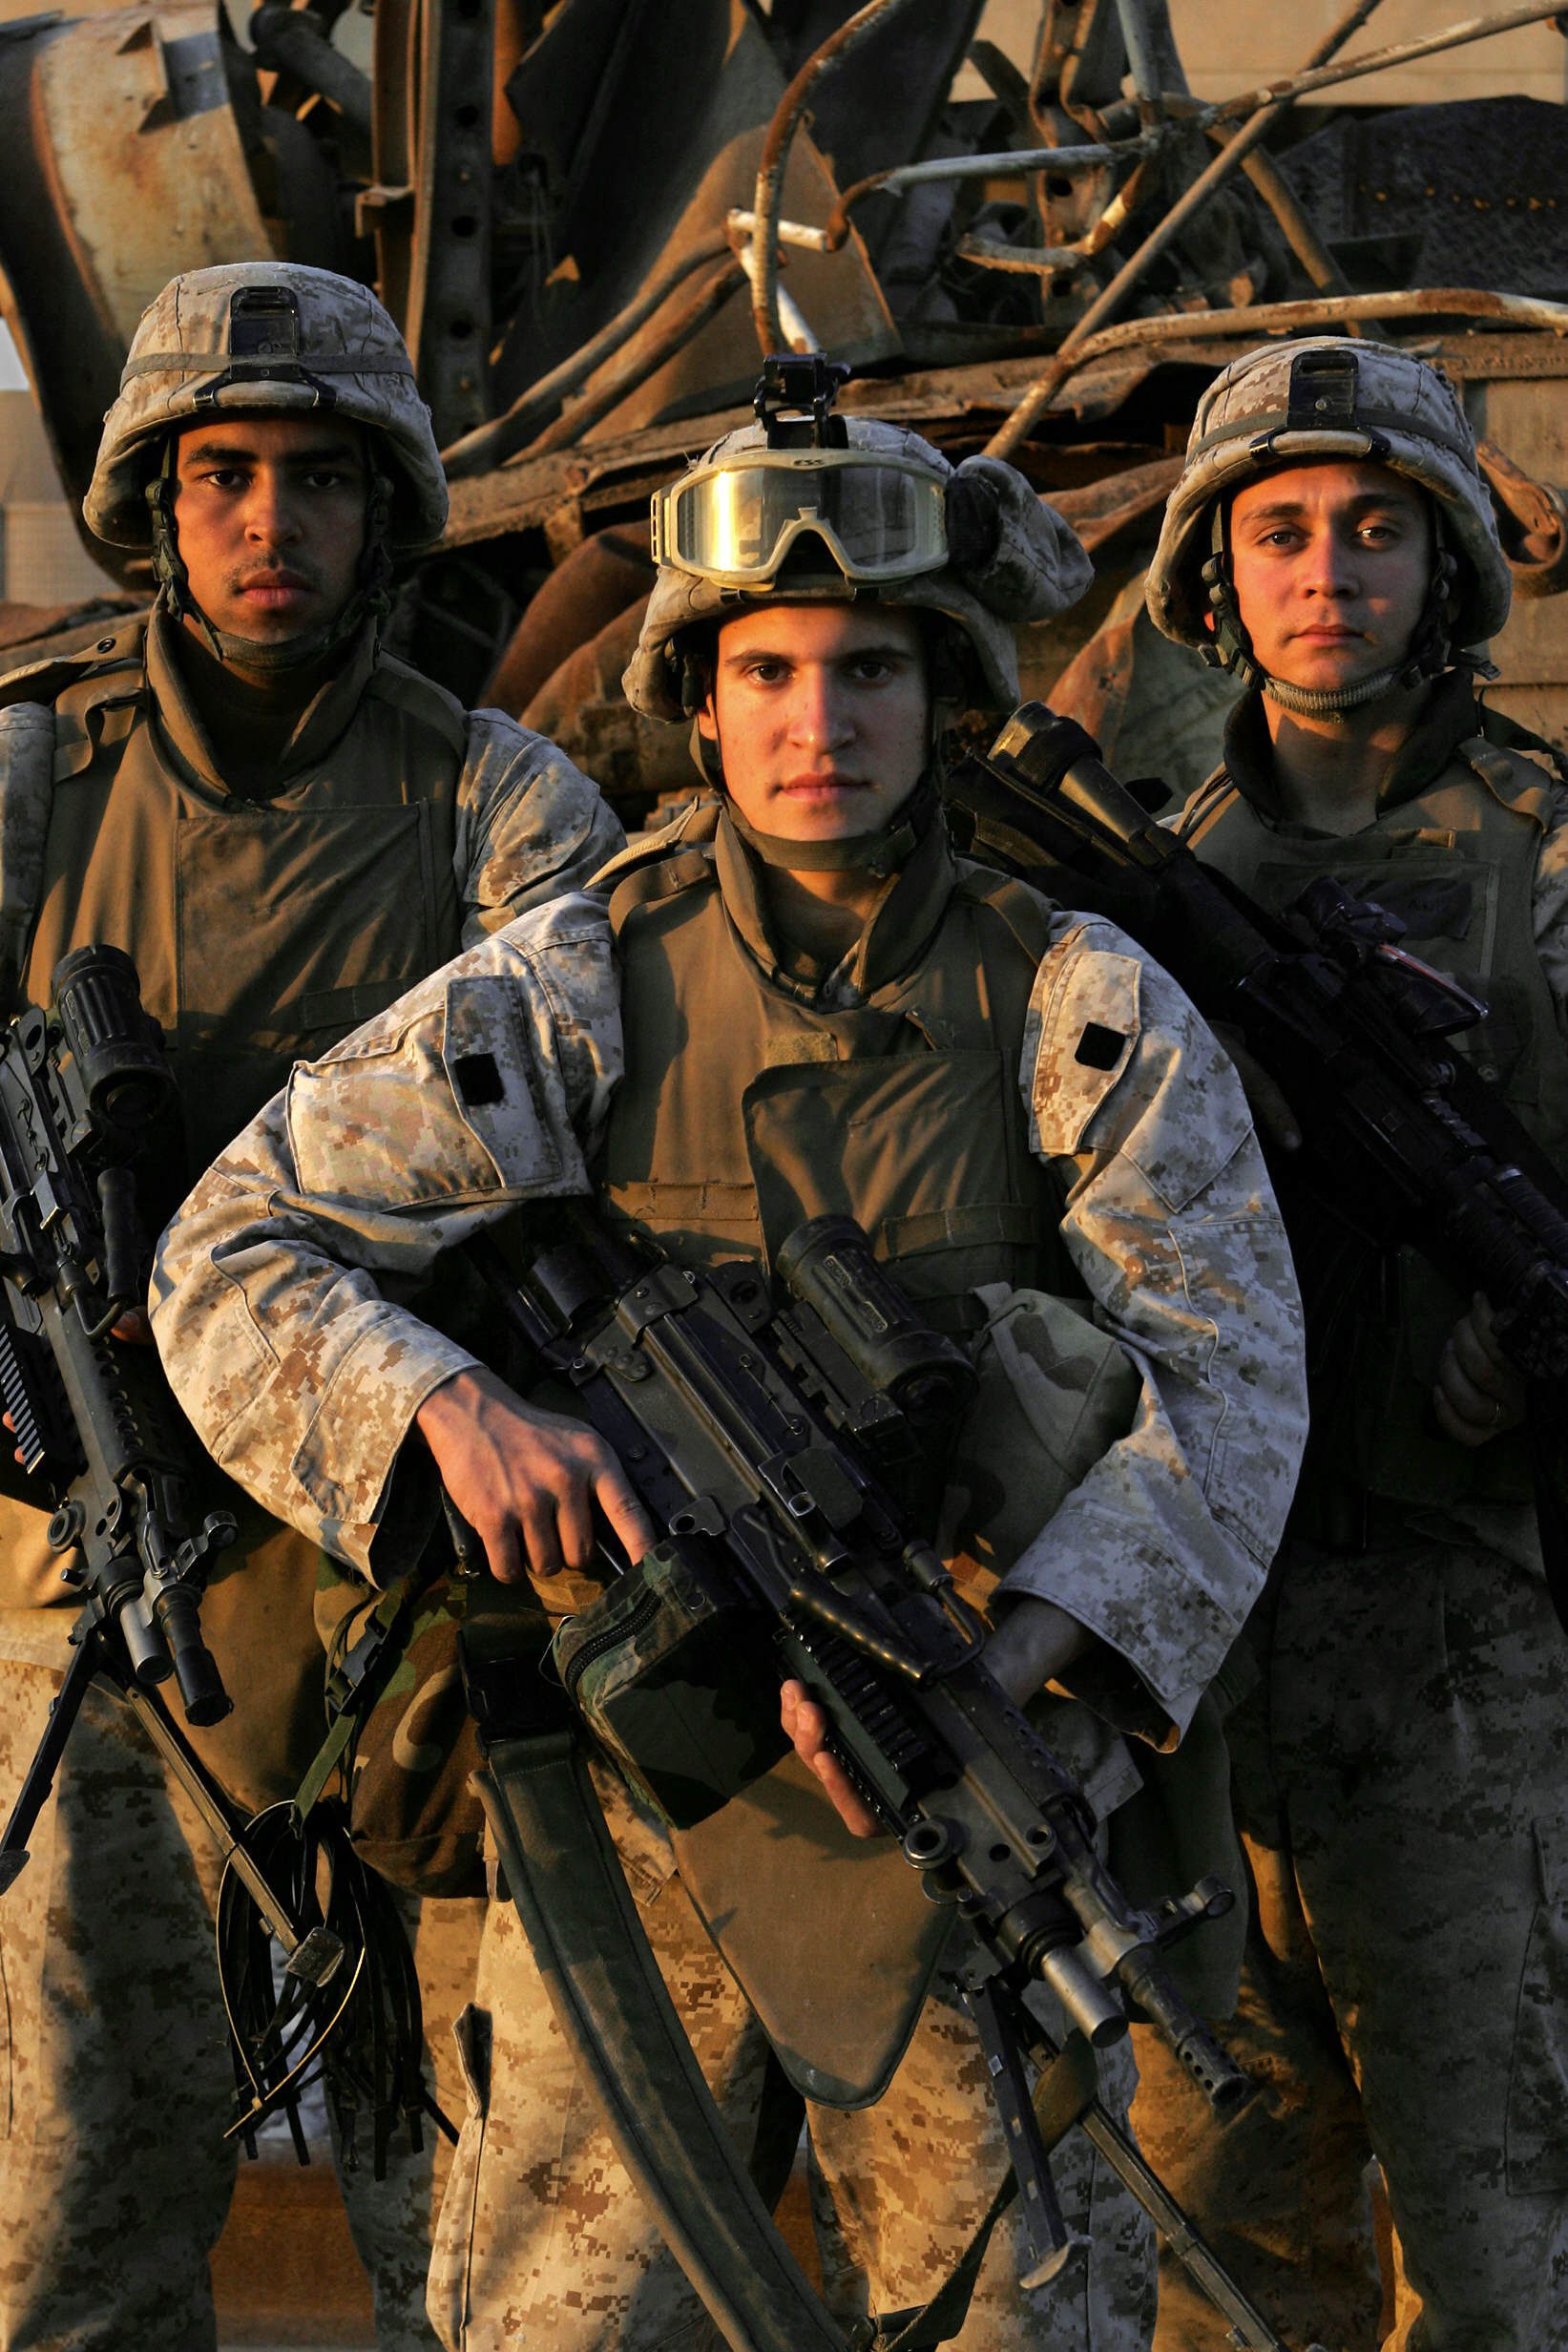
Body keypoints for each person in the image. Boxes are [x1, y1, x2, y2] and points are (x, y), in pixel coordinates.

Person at [151, 373, 1307, 2351]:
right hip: (630, 1816)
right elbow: (232, 1244)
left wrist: (1002, 1664)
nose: (816, 723)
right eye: (766, 671)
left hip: (947, 1795)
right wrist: (444, 1405)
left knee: (1021, 2310)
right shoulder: (578, 981)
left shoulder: (1076, 998)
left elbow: (1229, 1384)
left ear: (945, 696)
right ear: (699, 704)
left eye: (869, 670)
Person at [0, 260, 621, 2352]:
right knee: (79, 2201)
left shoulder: (500, 799)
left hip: (411, 1583)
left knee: (483, 2214)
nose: (270, 522)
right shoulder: (29, 786)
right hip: (89, 1580)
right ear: (155, 508)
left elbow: (589, 1148)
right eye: (224, 477)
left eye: (319, 480)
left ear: (386, 510)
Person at [1127, 335, 1568, 2352]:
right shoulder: (1154, 874)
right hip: (1207, 1636)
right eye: (1283, 531)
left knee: (1498, 2232)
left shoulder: (1545, 852)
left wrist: (1534, 1336)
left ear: (1447, 562)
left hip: (1468, 1633)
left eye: (1376, 529)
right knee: (1228, 2240)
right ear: (1216, 572)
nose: (1329, 573)